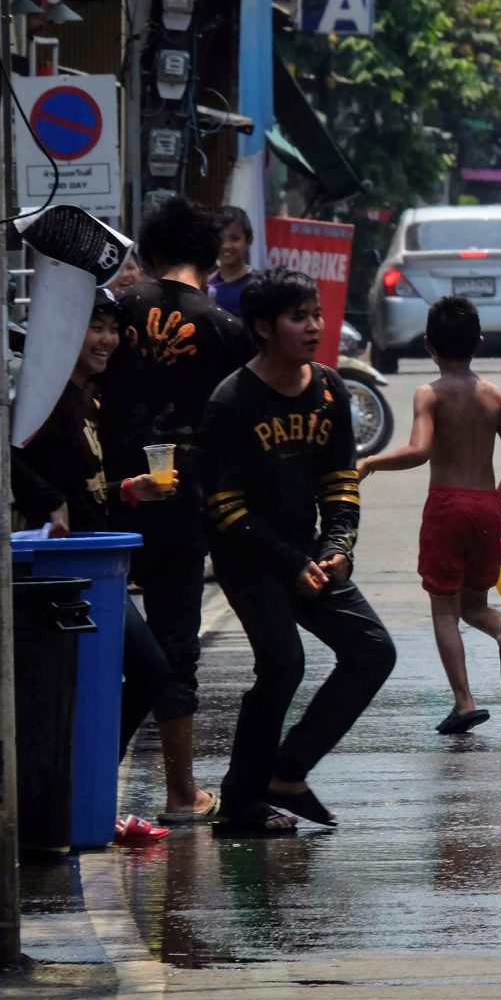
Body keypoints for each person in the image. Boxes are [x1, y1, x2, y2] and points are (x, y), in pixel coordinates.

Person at [199, 269, 396, 836]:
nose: (314, 327)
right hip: (249, 555)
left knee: (372, 650)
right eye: (298, 317)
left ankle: (287, 772)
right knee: (283, 664)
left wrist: (338, 548)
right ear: (264, 327)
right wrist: (292, 564)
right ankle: (239, 804)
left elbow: (340, 481)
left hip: (308, 551)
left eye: (316, 314)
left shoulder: (331, 390)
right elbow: (226, 507)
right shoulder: (231, 402)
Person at [12, 289, 213, 821]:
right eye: (92, 328)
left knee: (118, 680)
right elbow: (5, 455)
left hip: (98, 563)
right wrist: (48, 502)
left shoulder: (88, 398)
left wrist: (128, 489)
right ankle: (81, 786)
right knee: (150, 671)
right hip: (68, 568)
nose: (105, 340)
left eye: (110, 329)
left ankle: (83, 790)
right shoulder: (47, 397)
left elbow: (83, 486)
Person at [99, 196, 253, 820]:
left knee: (93, 637)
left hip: (105, 495)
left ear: (151, 252)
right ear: (211, 256)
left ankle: (82, 780)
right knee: (175, 643)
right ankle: (181, 792)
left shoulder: (115, 312)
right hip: (185, 505)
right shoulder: (225, 328)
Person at [359, 296, 501, 733]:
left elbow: (419, 452)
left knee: (443, 608)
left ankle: (464, 702)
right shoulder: (493, 396)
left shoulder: (429, 393)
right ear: (479, 342)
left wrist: (370, 462)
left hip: (448, 506)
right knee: (474, 604)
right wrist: (496, 500)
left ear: (428, 346)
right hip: (485, 509)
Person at [207, 206, 255, 316]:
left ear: (248, 241)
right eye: (220, 239)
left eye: (235, 239)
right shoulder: (205, 284)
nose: (226, 246)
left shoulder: (256, 286)